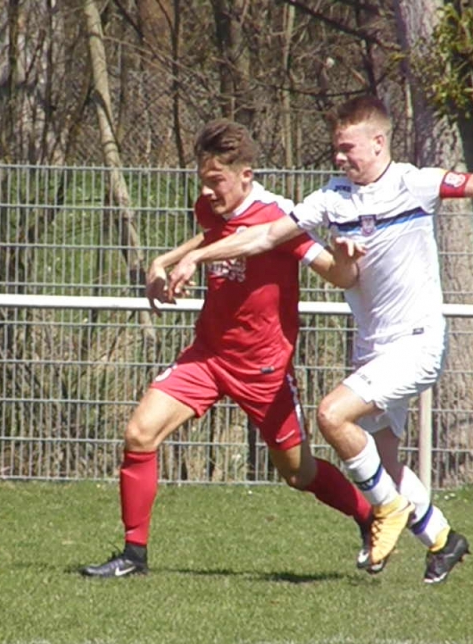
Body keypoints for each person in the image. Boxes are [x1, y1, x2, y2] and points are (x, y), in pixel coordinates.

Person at [166, 95, 473, 583]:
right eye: (336, 148)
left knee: (332, 415)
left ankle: (386, 510)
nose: (339, 157)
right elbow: (263, 237)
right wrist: (195, 256)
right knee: (383, 462)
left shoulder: (413, 183)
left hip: (417, 341)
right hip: (373, 345)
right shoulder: (332, 198)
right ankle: (443, 539)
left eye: (348, 148)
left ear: (378, 142)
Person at [82, 118, 374, 578]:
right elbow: (215, 235)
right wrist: (165, 260)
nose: (207, 192)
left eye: (216, 181)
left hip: (263, 369)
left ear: (246, 175)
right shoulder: (210, 206)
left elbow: (336, 275)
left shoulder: (280, 218)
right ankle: (133, 556)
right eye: (203, 181)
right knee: (139, 434)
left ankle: (370, 516)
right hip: (208, 355)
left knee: (298, 474)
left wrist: (344, 259)